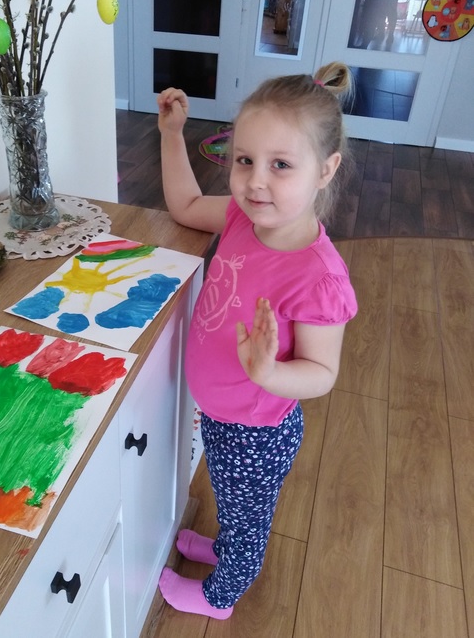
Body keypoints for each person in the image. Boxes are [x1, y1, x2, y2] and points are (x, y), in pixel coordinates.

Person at [156, 62, 358, 620]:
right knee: (231, 503)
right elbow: (183, 206)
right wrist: (172, 135)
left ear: (326, 169)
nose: (255, 181)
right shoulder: (242, 218)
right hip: (223, 417)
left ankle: (221, 596)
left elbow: (322, 373)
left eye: (281, 165)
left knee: (248, 521)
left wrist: (268, 373)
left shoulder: (319, 278)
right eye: (244, 160)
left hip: (258, 432)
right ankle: (223, 550)